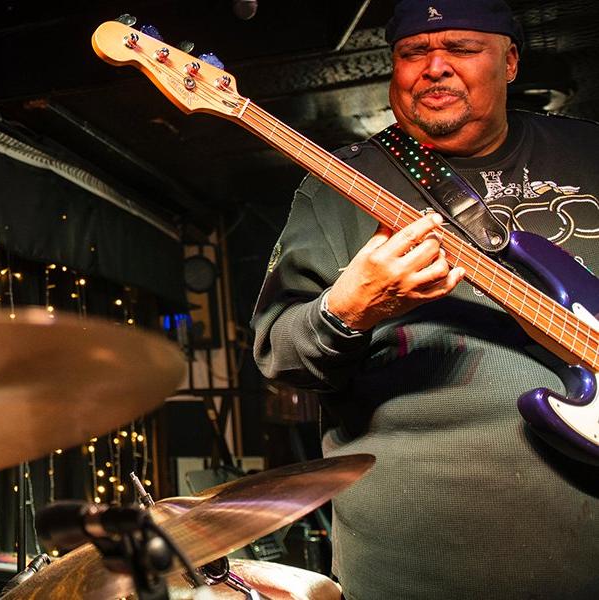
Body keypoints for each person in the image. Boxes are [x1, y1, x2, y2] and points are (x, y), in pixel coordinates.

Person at [252, 0, 599, 598]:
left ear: (511, 62)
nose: (434, 67)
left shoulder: (589, 152)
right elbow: (278, 356)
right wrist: (348, 311)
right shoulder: (338, 186)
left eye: (461, 49)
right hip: (414, 557)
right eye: (414, 53)